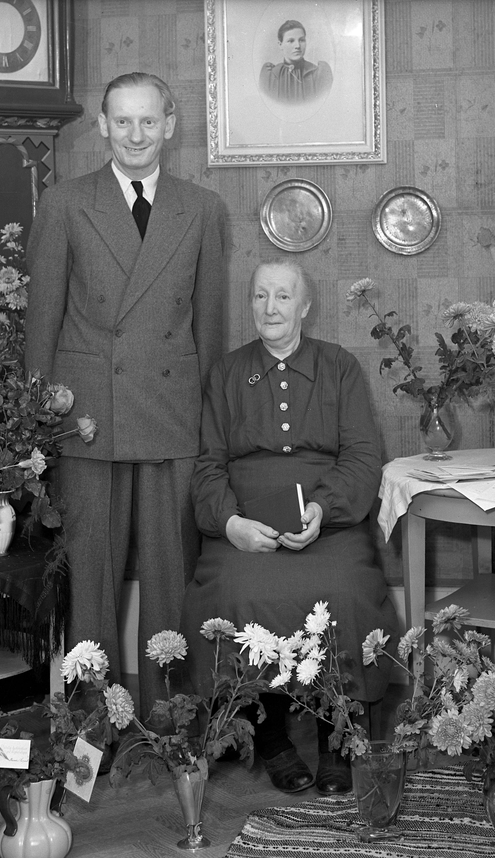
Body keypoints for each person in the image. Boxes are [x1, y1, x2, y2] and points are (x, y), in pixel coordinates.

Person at [25, 72, 229, 714]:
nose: (135, 135)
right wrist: (37, 417)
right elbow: (42, 321)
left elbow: (210, 327)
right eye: (122, 121)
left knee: (172, 574)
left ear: (169, 124)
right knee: (90, 577)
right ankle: (93, 722)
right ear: (103, 126)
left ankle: (172, 716)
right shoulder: (65, 203)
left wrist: (211, 422)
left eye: (147, 121)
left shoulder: (203, 208)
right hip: (87, 413)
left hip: (172, 412)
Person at [181, 259, 396, 795]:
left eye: (282, 296)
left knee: (344, 588)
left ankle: (336, 737)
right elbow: (208, 465)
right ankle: (269, 735)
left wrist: (323, 510)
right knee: (235, 590)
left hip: (328, 523)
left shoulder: (339, 366)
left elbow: (363, 456)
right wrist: (231, 524)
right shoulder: (227, 373)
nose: (270, 307)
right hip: (244, 522)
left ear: (305, 306)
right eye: (260, 296)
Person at [259, 19, 333, 104]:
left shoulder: (318, 74)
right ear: (280, 45)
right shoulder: (271, 76)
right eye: (291, 41)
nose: (297, 46)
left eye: (301, 40)